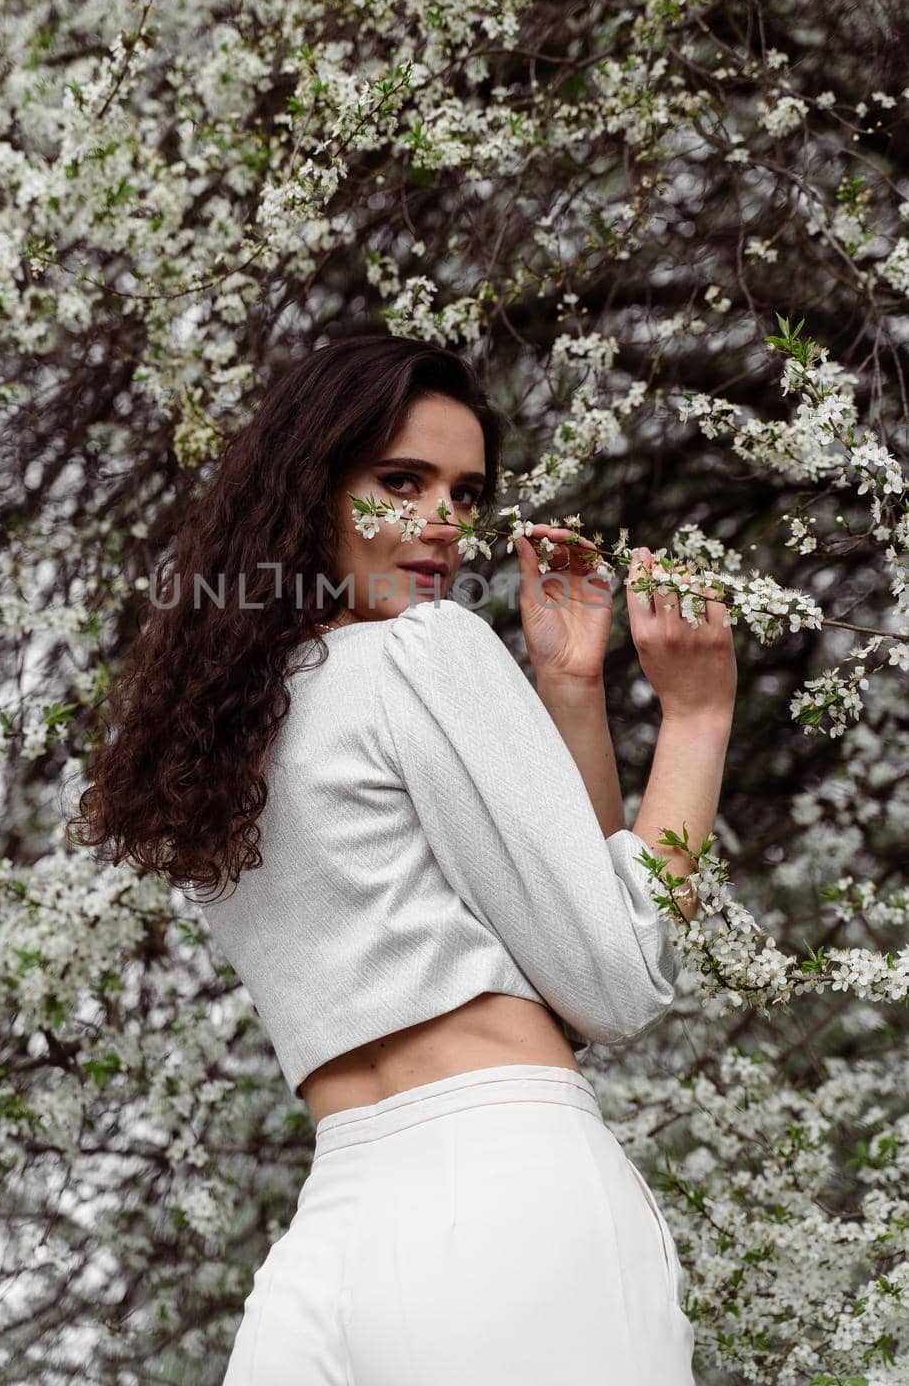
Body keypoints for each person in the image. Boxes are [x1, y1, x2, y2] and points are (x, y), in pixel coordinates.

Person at [68, 334, 737, 1385]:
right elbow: (614, 976)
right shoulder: (423, 652)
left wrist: (568, 695)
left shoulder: (206, 740)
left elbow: (563, 944)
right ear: (311, 487)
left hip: (377, 1214)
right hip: (479, 1186)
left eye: (464, 494)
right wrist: (697, 717)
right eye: (400, 480)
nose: (441, 523)